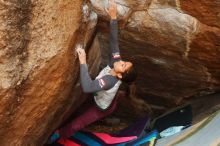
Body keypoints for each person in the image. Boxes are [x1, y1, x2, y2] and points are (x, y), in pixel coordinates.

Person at [47, 0, 137, 143]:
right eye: (124, 61)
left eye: (123, 65)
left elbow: (87, 87)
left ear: (119, 75)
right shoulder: (115, 64)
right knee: (106, 97)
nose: (121, 61)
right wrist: (113, 17)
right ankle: (115, 97)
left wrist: (83, 62)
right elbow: (114, 42)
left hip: (102, 108)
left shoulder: (109, 81)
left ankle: (59, 134)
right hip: (104, 95)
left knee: (79, 123)